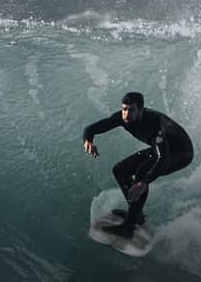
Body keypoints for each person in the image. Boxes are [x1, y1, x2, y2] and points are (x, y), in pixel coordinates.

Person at [82, 91, 194, 237]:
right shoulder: (122, 118)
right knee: (120, 170)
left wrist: (144, 182)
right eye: (124, 109)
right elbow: (90, 129)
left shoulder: (153, 124)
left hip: (181, 153)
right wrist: (88, 141)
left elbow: (163, 158)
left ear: (141, 110)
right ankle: (137, 215)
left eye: (131, 110)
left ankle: (128, 227)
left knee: (142, 173)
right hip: (163, 149)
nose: (126, 114)